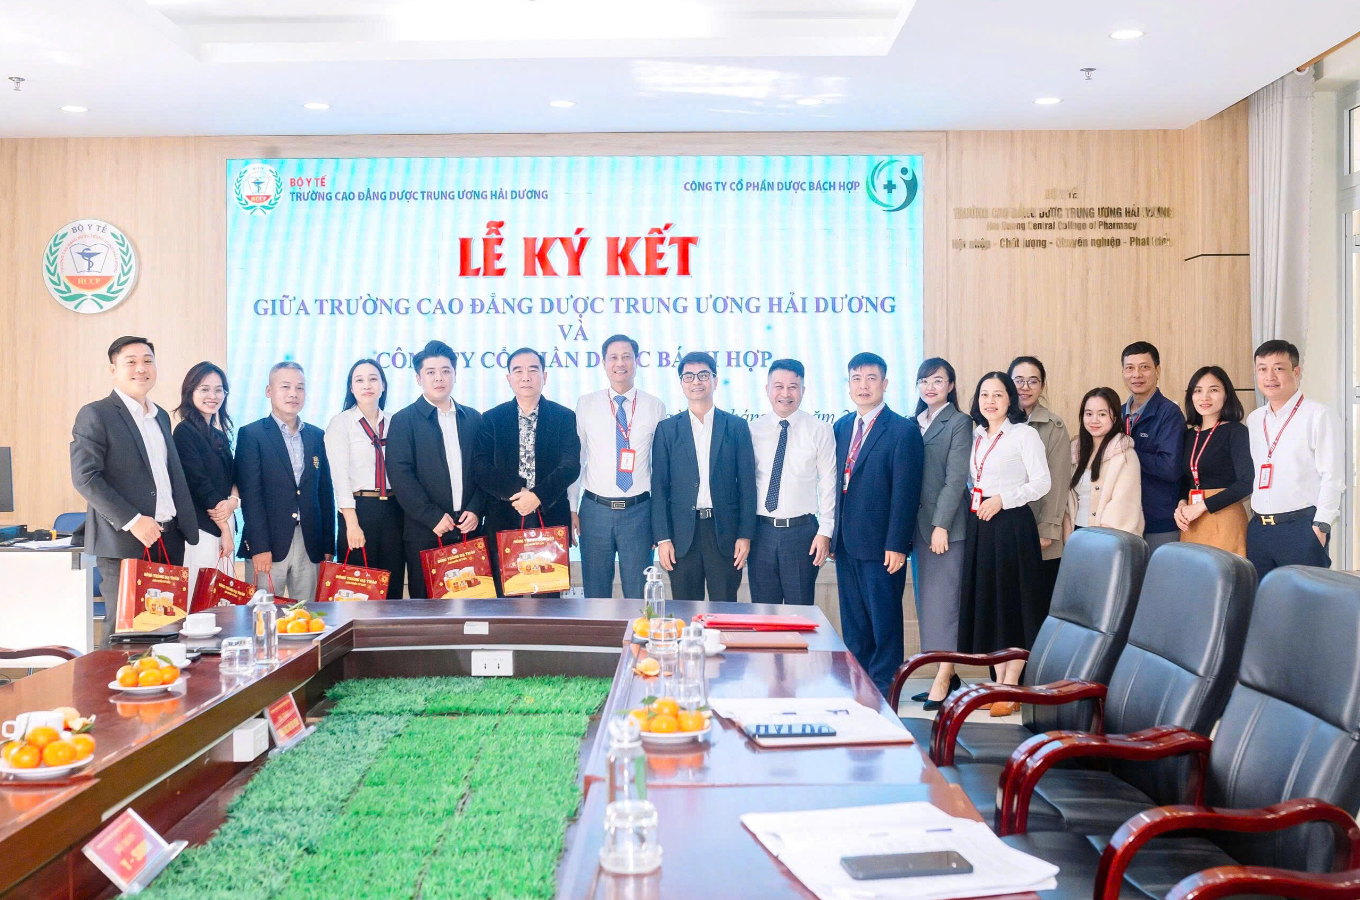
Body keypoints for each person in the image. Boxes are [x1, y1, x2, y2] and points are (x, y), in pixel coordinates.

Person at [70, 336, 200, 605]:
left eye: (148, 361)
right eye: (131, 362)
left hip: (169, 540)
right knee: (125, 626)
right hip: (125, 541)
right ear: (113, 369)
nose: (141, 368)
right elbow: (86, 477)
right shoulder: (97, 414)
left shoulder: (160, 415)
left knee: (167, 624)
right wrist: (133, 520)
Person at [956, 372, 1050, 717]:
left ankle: (1011, 686)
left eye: (998, 394)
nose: (990, 401)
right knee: (990, 604)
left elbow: (1042, 483)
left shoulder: (1024, 435)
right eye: (984, 394)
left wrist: (1002, 499)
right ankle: (997, 683)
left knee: (1013, 603)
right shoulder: (975, 435)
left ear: (1010, 398)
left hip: (1011, 525)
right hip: (981, 525)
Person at [832, 352, 924, 697]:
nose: (863, 385)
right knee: (854, 623)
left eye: (871, 378)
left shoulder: (903, 431)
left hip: (883, 546)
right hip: (846, 544)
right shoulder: (841, 427)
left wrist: (898, 544)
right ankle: (859, 687)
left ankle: (884, 693)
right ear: (849, 385)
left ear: (884, 384)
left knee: (884, 624)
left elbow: (906, 492)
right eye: (856, 378)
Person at [473, 348, 581, 597]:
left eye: (533, 370)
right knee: (504, 599)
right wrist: (519, 493)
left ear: (545, 376)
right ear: (508, 378)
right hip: (504, 516)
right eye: (518, 371)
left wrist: (538, 496)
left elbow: (570, 465)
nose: (526, 377)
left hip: (549, 515)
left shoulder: (564, 417)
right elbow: (480, 467)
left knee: (548, 600)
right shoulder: (492, 418)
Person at [652, 351, 757, 603]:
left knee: (725, 609)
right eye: (688, 376)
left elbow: (747, 485)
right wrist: (663, 538)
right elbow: (659, 487)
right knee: (685, 609)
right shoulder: (667, 429)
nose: (696, 381)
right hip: (681, 536)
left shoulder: (736, 426)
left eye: (703, 375)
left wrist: (745, 535)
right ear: (681, 383)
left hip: (724, 534)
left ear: (715, 380)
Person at [569, 334, 666, 599]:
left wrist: (659, 521)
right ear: (604, 363)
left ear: (636, 361)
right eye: (613, 357)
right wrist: (572, 507)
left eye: (626, 357)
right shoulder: (586, 404)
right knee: (596, 593)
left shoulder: (655, 406)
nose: (620, 363)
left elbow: (661, 469)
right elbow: (577, 459)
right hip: (594, 511)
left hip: (639, 512)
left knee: (638, 594)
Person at [387, 340, 486, 598]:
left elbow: (486, 470)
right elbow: (400, 475)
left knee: (473, 603)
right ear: (418, 378)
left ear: (455, 374)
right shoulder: (403, 420)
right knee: (428, 610)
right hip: (425, 532)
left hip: (468, 529)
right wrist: (432, 517)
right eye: (430, 372)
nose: (439, 378)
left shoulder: (474, 418)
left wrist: (476, 509)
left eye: (445, 371)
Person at [1244, 340, 1344, 578]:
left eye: (1278, 368)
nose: (1270, 376)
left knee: (1306, 598)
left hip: (1301, 529)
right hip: (1259, 529)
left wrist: (1321, 526)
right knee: (1264, 597)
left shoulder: (1319, 415)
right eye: (1262, 369)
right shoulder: (1255, 419)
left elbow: (1333, 476)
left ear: (1296, 372)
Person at [236, 361, 334, 600]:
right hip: (268, 543)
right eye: (285, 387)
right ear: (269, 391)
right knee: (263, 613)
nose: (293, 394)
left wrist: (328, 545)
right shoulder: (251, 434)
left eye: (300, 388)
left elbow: (324, 493)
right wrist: (259, 546)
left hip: (310, 544)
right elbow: (251, 496)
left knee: (308, 613)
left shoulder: (316, 435)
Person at [910, 358, 972, 711]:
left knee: (946, 604)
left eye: (937, 380)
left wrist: (941, 525)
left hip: (944, 529)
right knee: (929, 605)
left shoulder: (959, 422)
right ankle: (946, 673)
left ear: (950, 385)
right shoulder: (913, 422)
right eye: (924, 381)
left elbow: (955, 478)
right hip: (918, 527)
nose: (930, 387)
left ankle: (943, 677)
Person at [748, 359, 836, 606]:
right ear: (767, 389)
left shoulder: (820, 430)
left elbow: (828, 483)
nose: (785, 394)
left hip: (802, 534)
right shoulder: (752, 430)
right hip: (760, 533)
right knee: (763, 613)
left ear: (803, 390)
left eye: (793, 387)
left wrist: (825, 531)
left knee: (800, 612)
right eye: (778, 386)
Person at [324, 359, 405, 598]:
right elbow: (339, 477)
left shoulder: (396, 422)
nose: (367, 385)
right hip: (359, 509)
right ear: (351, 388)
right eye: (359, 380)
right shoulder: (341, 423)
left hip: (394, 510)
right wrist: (351, 522)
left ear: (383, 385)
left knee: (392, 585)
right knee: (358, 588)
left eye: (373, 379)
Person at [1008, 357, 1072, 619]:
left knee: (1037, 609)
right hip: (1004, 529)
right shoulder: (996, 422)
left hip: (1039, 530)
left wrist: (1047, 529)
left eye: (1032, 381)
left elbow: (1058, 483)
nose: (1025, 387)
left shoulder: (1054, 427)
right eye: (1018, 380)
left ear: (1042, 385)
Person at [172, 362, 239, 598]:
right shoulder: (184, 432)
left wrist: (234, 502)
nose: (213, 396)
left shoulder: (219, 434)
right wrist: (225, 529)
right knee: (200, 599)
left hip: (223, 522)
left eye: (219, 390)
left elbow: (233, 477)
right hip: (202, 529)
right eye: (205, 389)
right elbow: (199, 485)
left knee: (222, 600)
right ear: (190, 392)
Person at [1173, 366, 1252, 556]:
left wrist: (1202, 506)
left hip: (1224, 518)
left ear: (1226, 394)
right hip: (1192, 520)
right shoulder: (1188, 435)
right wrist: (1181, 505)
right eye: (1198, 391)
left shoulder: (1236, 432)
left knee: (1224, 572)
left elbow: (1246, 483)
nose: (1205, 397)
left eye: (1213, 390)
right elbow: (1185, 479)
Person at [1120, 341, 1185, 551]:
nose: (1136, 375)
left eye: (1144, 367)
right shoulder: (1117, 413)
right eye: (1130, 368)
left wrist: (1126, 453)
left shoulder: (1169, 413)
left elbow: (1169, 467)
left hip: (1158, 521)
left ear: (1157, 371)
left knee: (1160, 572)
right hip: (1123, 519)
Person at [1063, 387, 1143, 536]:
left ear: (1115, 417)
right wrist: (1069, 539)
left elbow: (1123, 503)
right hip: (1077, 533)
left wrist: (1099, 541)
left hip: (1108, 537)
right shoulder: (1075, 451)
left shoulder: (1125, 454)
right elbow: (1069, 503)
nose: (1094, 420)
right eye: (1089, 414)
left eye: (1102, 414)